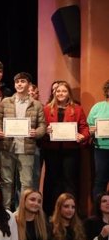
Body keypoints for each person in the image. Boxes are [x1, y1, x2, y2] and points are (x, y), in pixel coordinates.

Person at [0, 72, 47, 210]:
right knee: (6, 181)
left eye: (23, 81)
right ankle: (5, 211)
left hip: (27, 148)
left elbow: (43, 125)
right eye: (17, 82)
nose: (19, 84)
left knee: (26, 182)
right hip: (7, 147)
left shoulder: (36, 105)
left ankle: (22, 212)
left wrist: (37, 132)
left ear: (29, 84)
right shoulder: (5, 102)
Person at [41, 81, 90, 215]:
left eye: (64, 91)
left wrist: (82, 136)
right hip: (52, 150)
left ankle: (70, 212)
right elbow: (41, 127)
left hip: (71, 151)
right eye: (58, 91)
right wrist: (45, 130)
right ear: (54, 93)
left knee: (70, 181)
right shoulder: (46, 109)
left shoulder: (78, 109)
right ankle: (51, 212)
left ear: (69, 93)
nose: (60, 94)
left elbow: (84, 128)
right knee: (52, 181)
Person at [87, 79, 109, 198]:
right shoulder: (98, 107)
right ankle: (99, 213)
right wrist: (91, 130)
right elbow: (89, 126)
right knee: (100, 181)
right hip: (101, 148)